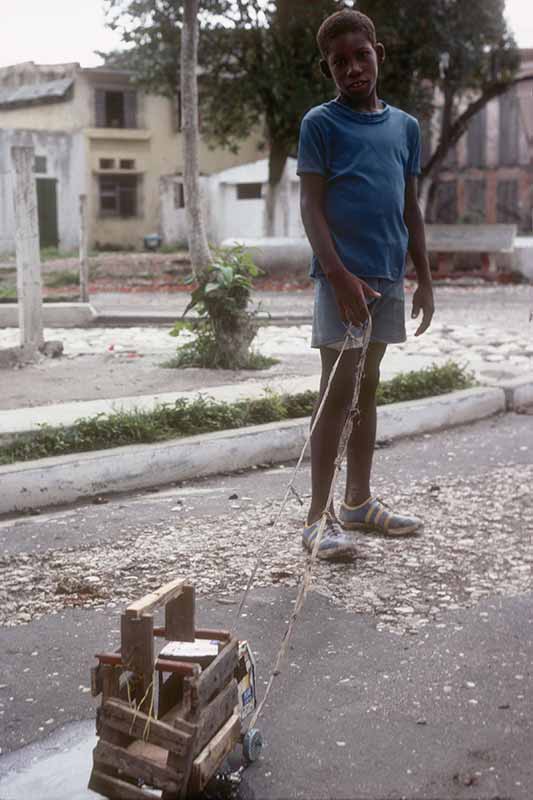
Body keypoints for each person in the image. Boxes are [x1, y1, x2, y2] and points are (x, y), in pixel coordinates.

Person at [297, 9, 434, 560]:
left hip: (387, 277)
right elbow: (310, 207)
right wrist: (338, 276)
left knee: (368, 388)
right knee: (337, 390)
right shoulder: (320, 124)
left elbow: (409, 208)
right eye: (340, 62)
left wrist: (424, 277)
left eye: (362, 56)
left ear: (379, 52)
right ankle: (316, 518)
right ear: (327, 68)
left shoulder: (405, 126)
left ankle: (357, 501)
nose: (353, 69)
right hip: (342, 278)